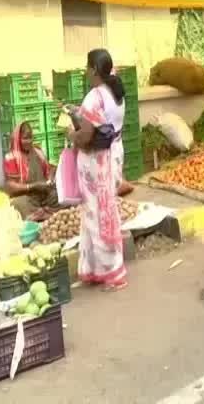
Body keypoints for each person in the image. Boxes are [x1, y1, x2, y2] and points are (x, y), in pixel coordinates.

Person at [68, 49, 127, 291]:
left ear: (93, 69)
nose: (85, 71)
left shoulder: (93, 97)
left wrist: (71, 133)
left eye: (86, 67)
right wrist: (78, 113)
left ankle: (112, 270)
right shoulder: (116, 94)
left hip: (96, 162)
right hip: (113, 155)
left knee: (98, 214)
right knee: (103, 211)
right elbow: (103, 123)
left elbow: (86, 136)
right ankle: (94, 269)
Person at [3, 122, 58, 221]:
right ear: (17, 139)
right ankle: (43, 213)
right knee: (18, 203)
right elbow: (10, 187)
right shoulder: (11, 157)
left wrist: (51, 176)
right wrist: (33, 186)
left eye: (30, 137)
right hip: (27, 197)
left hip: (43, 194)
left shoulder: (37, 152)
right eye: (25, 138)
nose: (28, 141)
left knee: (59, 195)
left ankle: (44, 212)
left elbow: (50, 168)